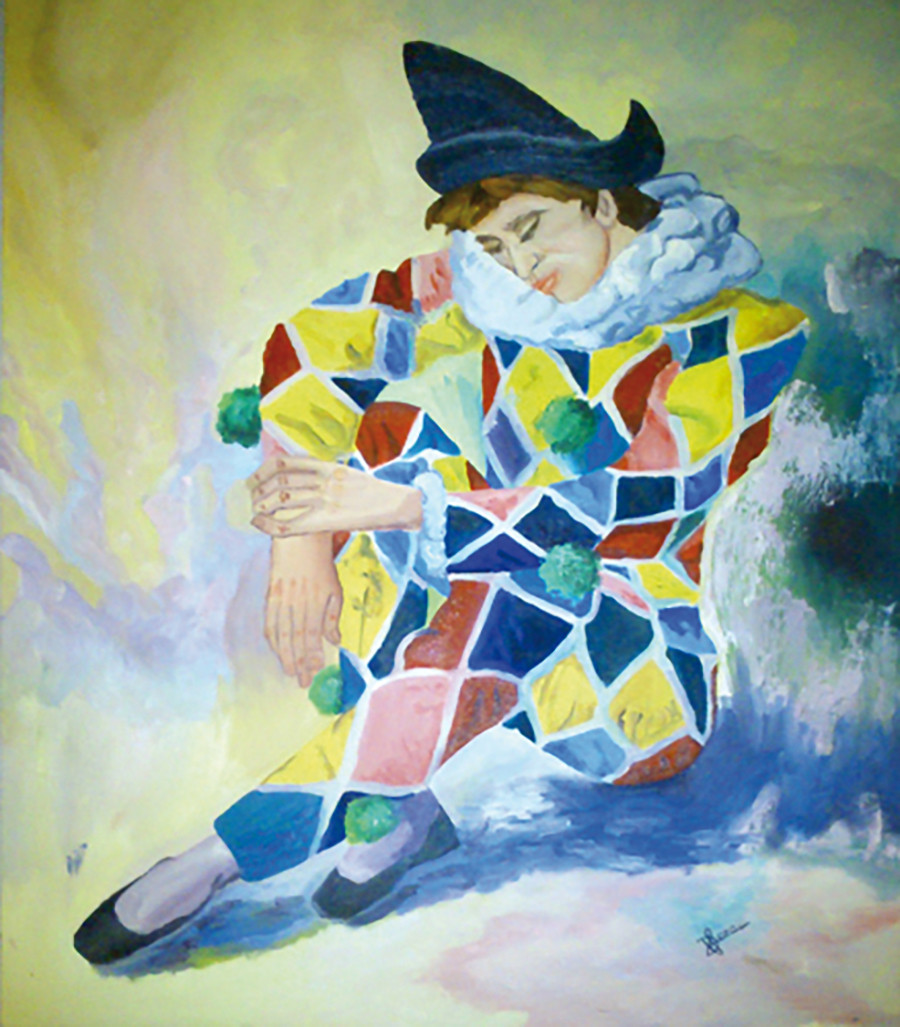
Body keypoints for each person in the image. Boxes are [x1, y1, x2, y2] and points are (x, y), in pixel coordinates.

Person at [74, 41, 808, 965]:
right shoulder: (488, 294)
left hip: (634, 685)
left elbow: (617, 510)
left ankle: (220, 857)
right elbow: (315, 342)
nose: (520, 265)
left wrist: (403, 510)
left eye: (534, 227)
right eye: (494, 245)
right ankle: (399, 807)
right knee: (399, 433)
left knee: (504, 566)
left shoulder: (740, 331)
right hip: (478, 647)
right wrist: (300, 540)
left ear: (601, 199)